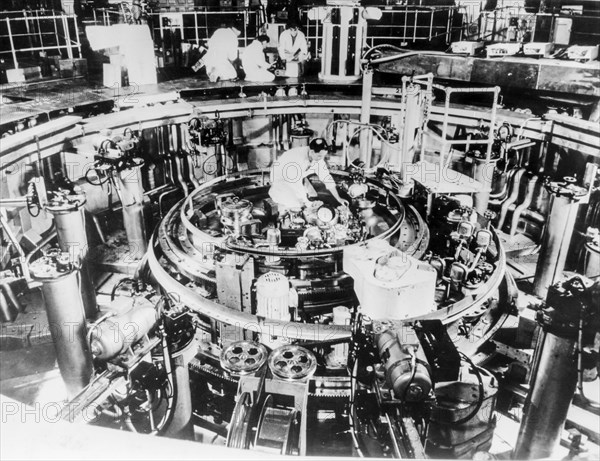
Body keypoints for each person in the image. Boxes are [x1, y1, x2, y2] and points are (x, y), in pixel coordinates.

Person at [269, 138, 347, 210]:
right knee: (296, 205)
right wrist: (307, 203)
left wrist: (338, 198)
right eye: (320, 156)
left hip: (298, 179)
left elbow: (327, 178)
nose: (321, 159)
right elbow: (296, 183)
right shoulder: (296, 157)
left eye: (323, 156)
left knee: (309, 198)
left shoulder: (317, 158)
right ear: (312, 152)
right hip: (281, 181)